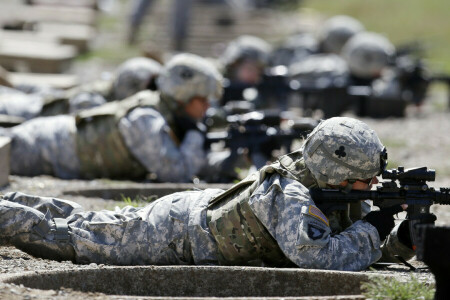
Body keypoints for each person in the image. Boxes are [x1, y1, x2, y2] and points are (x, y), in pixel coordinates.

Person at [0, 117, 417, 270]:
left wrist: (399, 241)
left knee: (79, 221)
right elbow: (322, 258)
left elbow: (346, 242)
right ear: (336, 173)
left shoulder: (331, 185)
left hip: (191, 222)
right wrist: (376, 222)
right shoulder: (286, 193)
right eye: (364, 181)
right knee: (70, 238)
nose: (371, 188)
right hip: (173, 233)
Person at [0, 53, 222, 182]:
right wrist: (195, 132)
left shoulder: (167, 117)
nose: (207, 105)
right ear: (182, 99)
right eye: (202, 99)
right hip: (39, 147)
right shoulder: (145, 119)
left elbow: (195, 165)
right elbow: (177, 173)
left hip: (49, 151)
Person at [0, 57, 162, 121]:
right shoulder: (95, 102)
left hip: (53, 99)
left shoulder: (107, 89)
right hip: (37, 110)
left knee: (35, 91)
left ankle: (12, 83)